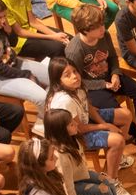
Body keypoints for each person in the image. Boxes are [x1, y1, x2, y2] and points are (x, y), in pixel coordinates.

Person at [65, 4, 136, 154]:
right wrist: (103, 84)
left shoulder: (104, 35)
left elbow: (112, 57)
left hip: (110, 77)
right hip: (91, 88)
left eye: (102, 24)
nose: (102, 28)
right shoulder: (74, 50)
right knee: (116, 109)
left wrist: (115, 74)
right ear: (85, 30)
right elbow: (77, 82)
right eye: (97, 27)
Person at [43, 109, 136, 195]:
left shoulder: (73, 139)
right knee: (103, 190)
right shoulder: (61, 155)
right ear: (61, 130)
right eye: (71, 124)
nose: (76, 124)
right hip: (73, 185)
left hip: (81, 176)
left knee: (109, 181)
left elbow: (80, 167)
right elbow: (67, 185)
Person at [43, 56, 130, 185]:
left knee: (126, 115)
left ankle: (116, 158)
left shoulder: (77, 87)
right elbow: (78, 128)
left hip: (84, 121)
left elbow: (87, 106)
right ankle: (112, 181)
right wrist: (105, 126)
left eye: (75, 71)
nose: (74, 76)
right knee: (118, 140)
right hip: (74, 137)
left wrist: (103, 123)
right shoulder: (64, 101)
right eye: (67, 75)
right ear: (58, 80)